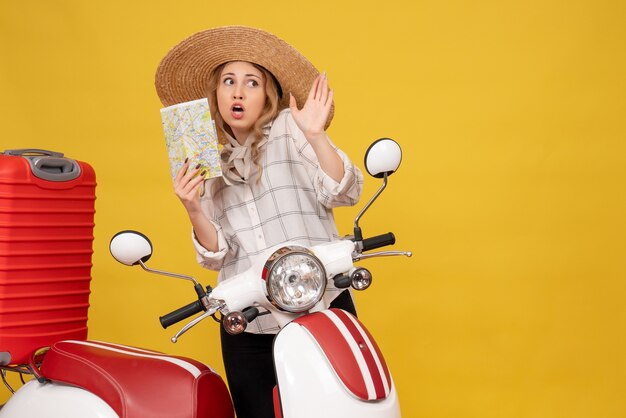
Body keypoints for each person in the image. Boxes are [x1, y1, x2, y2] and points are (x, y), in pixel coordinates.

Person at [154, 26, 364, 418]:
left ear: (267, 94)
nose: (237, 92)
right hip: (249, 320)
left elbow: (343, 192)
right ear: (215, 96)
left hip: (321, 303)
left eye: (251, 83)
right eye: (228, 82)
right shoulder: (203, 163)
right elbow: (217, 257)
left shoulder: (290, 129)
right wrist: (193, 207)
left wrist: (316, 135)